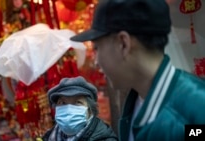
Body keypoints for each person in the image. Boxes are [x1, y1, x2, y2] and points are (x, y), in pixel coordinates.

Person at [70, 0, 205, 141]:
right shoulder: (135, 103)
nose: (96, 62)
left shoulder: (197, 108)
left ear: (123, 43)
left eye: (97, 48)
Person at [42, 76, 118, 141]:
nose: (69, 109)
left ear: (90, 110)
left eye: (78, 103)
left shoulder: (105, 139)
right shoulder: (49, 137)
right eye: (63, 103)